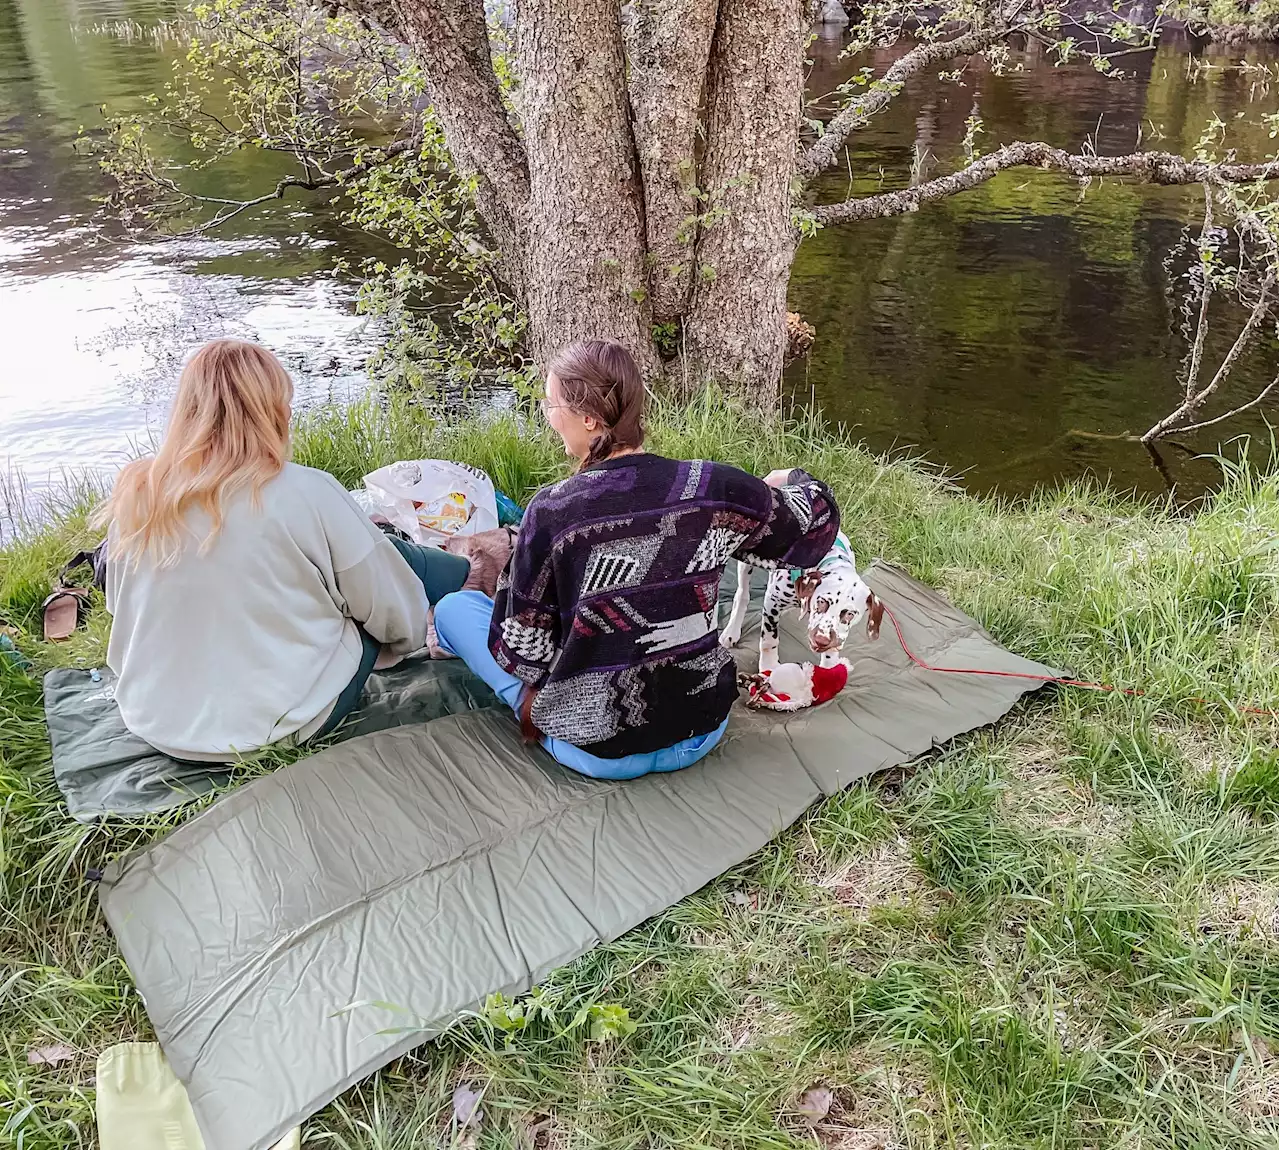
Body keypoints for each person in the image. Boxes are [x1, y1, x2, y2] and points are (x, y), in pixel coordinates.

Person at [432, 339, 841, 780]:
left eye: (551, 405)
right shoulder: (712, 486)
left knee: (453, 610)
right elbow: (815, 521)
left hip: (597, 752)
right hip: (703, 727)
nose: (549, 417)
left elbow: (523, 655)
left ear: (588, 418)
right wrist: (791, 479)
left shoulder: (550, 512)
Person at [99, 339, 468, 761]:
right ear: (271, 409)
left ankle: (460, 567)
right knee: (379, 567)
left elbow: (119, 606)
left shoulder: (139, 493)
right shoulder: (306, 491)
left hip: (155, 718)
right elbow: (396, 616)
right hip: (275, 725)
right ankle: (472, 570)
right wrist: (403, 643)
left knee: (364, 557)